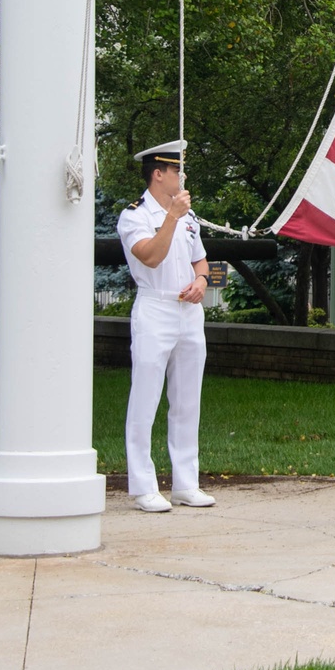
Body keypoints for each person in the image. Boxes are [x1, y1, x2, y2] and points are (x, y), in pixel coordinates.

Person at [117, 139, 215, 513]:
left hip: (188, 313)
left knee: (188, 400)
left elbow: (201, 262)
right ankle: (143, 486)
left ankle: (185, 484)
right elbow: (151, 258)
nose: (182, 175)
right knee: (145, 399)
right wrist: (171, 216)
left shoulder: (188, 216)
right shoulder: (135, 216)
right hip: (155, 308)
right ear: (158, 174)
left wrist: (201, 282)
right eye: (177, 170)